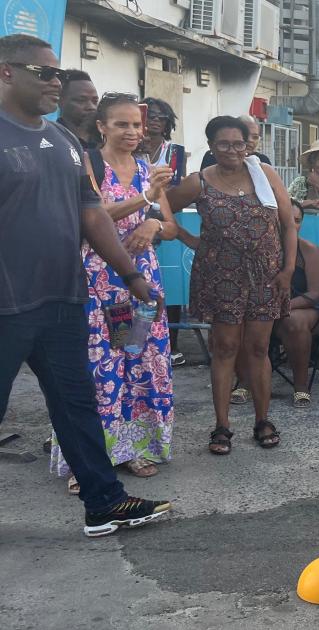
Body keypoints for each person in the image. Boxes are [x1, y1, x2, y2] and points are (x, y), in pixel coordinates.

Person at [0, 33, 171, 536]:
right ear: (6, 72)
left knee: (77, 405)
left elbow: (91, 213)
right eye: (44, 73)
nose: (56, 82)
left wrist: (131, 275)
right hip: (6, 306)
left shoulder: (63, 141)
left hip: (63, 300)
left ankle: (105, 503)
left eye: (58, 72)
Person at [48, 91, 179, 489]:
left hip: (140, 284)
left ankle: (134, 447)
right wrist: (145, 199)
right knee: (99, 368)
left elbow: (171, 226)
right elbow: (93, 216)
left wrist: (153, 224)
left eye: (137, 124)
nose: (132, 131)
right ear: (102, 126)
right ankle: (86, 460)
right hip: (100, 281)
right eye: (122, 124)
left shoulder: (147, 168)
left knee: (138, 362)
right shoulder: (89, 163)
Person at [166, 115, 297, 455]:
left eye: (239, 143)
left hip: (266, 275)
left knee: (258, 348)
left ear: (247, 145)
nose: (233, 150)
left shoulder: (264, 174)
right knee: (224, 348)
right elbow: (161, 208)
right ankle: (222, 426)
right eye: (224, 144)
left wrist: (288, 270)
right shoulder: (199, 182)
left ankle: (263, 420)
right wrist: (187, 238)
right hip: (220, 276)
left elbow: (288, 225)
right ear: (211, 146)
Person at [273, 203, 319, 408]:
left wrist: (283, 306)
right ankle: (244, 382)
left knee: (293, 321)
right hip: (264, 308)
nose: (292, 225)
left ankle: (301, 386)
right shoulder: (260, 249)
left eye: (297, 221)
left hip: (303, 309)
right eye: (286, 219)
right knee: (241, 318)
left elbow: (315, 294)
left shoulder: (309, 250)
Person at [139, 98, 186, 185]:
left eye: (162, 117)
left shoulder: (175, 152)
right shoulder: (130, 147)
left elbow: (178, 187)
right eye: (151, 115)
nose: (156, 119)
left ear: (167, 123)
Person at [200, 115, 271, 169]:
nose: (250, 140)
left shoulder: (263, 161)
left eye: (255, 137)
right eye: (246, 135)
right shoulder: (213, 157)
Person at [58, 69, 98, 149]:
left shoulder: (106, 139)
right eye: (81, 100)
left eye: (95, 101)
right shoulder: (51, 139)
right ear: (60, 101)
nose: (91, 107)